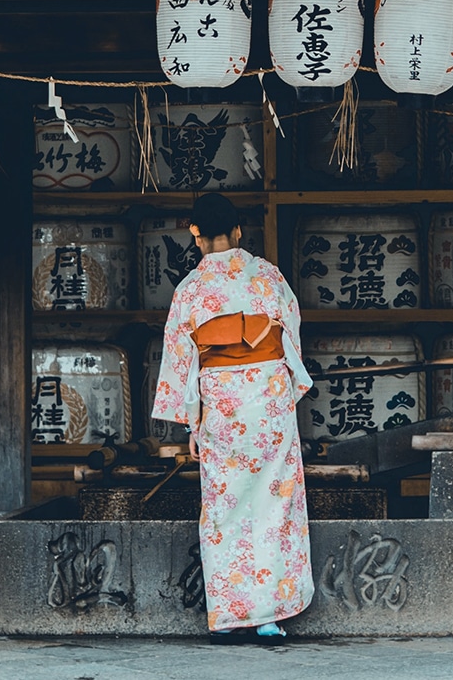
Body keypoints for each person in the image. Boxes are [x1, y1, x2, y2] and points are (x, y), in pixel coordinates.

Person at [151, 192, 314, 645]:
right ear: (239, 231)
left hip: (222, 405)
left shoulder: (190, 290)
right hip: (268, 402)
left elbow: (182, 359)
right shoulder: (268, 278)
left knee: (224, 510)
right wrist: (281, 386)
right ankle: (270, 618)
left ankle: (228, 618)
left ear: (195, 234)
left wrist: (192, 420)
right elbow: (291, 338)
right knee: (274, 506)